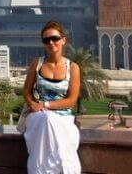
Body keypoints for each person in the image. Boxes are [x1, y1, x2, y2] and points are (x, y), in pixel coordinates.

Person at [21, 20, 82, 174]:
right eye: (46, 40)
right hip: (38, 115)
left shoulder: (73, 68)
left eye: (55, 38)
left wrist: (46, 105)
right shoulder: (37, 64)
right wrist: (33, 104)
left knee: (51, 122)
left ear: (63, 40)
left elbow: (71, 101)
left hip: (63, 117)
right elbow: (26, 91)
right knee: (47, 120)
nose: (51, 42)